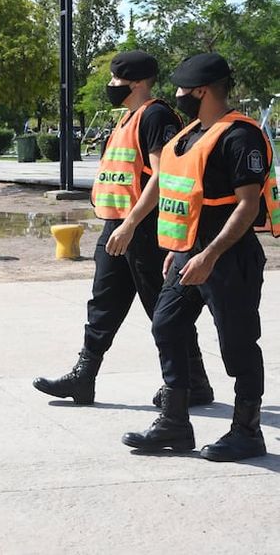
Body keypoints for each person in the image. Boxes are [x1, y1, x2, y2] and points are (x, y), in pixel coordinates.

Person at [122, 53, 280, 461]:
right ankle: (175, 422)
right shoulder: (189, 134)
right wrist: (178, 248)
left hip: (229, 257)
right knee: (166, 325)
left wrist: (209, 255)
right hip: (187, 255)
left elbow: (246, 206)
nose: (176, 97)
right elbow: (175, 190)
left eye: (181, 91)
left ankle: (247, 431)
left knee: (238, 344)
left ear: (202, 91)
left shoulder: (239, 137)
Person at [33, 50, 212, 406]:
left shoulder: (156, 115)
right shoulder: (126, 118)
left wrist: (130, 225)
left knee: (163, 310)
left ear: (136, 83)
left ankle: (193, 382)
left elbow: (163, 176)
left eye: (116, 80)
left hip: (143, 229)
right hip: (117, 226)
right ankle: (84, 377)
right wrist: (120, 224)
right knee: (103, 303)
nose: (111, 85)